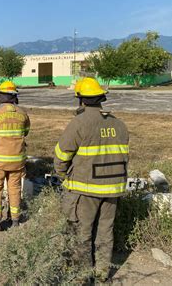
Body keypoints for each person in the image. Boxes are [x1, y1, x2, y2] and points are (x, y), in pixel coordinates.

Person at [54, 77, 129, 282]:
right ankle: (102, 274)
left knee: (82, 233)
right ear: (100, 98)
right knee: (106, 232)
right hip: (113, 189)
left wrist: (62, 176)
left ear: (81, 99)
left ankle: (82, 276)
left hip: (86, 189)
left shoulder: (79, 122)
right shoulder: (118, 124)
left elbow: (61, 155)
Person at [0, 81, 30, 231]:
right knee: (14, 188)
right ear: (15, 96)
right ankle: (15, 219)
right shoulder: (23, 114)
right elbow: (26, 132)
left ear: (0, 95)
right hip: (17, 161)